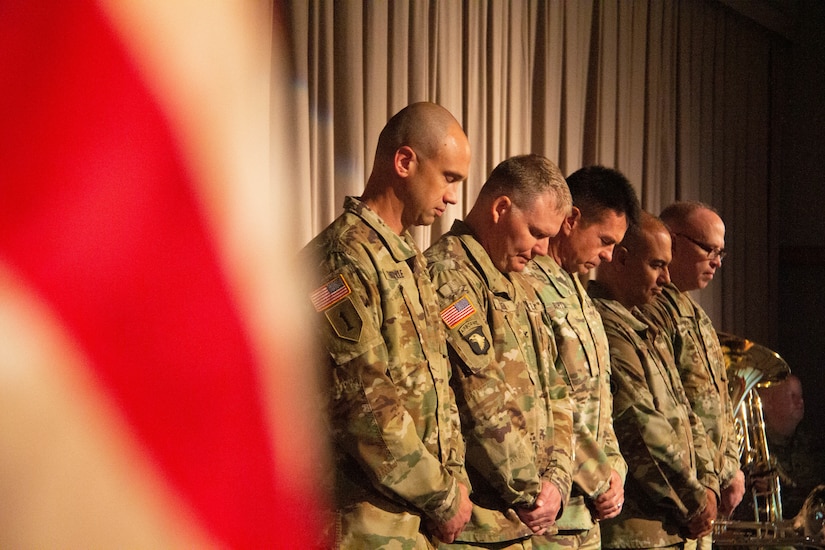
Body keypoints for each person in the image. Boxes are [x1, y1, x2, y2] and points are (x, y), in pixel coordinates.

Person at [301, 102, 473, 548]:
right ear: (404, 162)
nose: (453, 197)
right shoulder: (341, 258)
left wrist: (454, 484)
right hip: (362, 528)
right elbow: (365, 405)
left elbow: (437, 389)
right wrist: (444, 496)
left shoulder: (404, 257)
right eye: (449, 178)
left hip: (413, 525)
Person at [425, 154, 576, 548]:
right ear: (501, 208)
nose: (543, 250)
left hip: (526, 522)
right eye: (536, 232)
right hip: (482, 524)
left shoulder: (519, 283)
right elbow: (479, 401)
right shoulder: (448, 274)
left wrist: (557, 481)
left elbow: (557, 389)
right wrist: (532, 492)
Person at [515, 165, 636, 549]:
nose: (608, 255)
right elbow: (545, 401)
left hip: (588, 516)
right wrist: (599, 476)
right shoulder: (527, 285)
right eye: (604, 240)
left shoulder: (579, 294)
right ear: (572, 220)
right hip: (547, 512)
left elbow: (602, 398)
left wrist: (616, 470)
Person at [588, 212, 719, 549]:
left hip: (674, 523)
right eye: (657, 265)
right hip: (641, 529)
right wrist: (695, 498)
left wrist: (709, 483)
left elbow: (686, 409)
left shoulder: (644, 323)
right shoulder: (605, 322)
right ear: (621, 259)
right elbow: (640, 423)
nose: (666, 278)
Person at [640, 201, 745, 548]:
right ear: (673, 239)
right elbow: (672, 405)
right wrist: (708, 483)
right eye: (708, 249)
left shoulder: (696, 314)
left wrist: (730, 469)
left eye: (721, 253)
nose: (716, 262)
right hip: (679, 498)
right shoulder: (652, 307)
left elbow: (720, 408)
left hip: (707, 493)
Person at [758, 374, 825, 518]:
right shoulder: (754, 445)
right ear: (769, 402)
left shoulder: (816, 443)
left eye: (800, 396)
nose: (800, 402)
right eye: (792, 396)